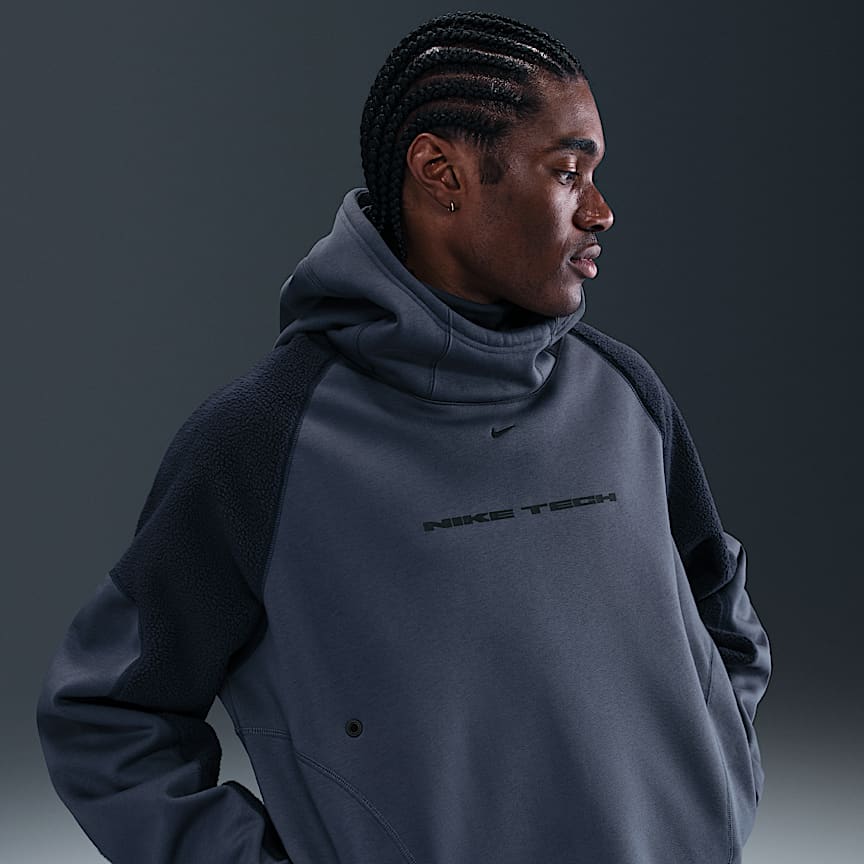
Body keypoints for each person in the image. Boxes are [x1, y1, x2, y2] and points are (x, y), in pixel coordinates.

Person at [36, 10, 772, 864]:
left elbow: (720, 607)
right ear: (440, 172)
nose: (601, 212)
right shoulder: (264, 441)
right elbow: (106, 717)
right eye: (569, 172)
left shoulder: (625, 395)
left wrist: (715, 781)